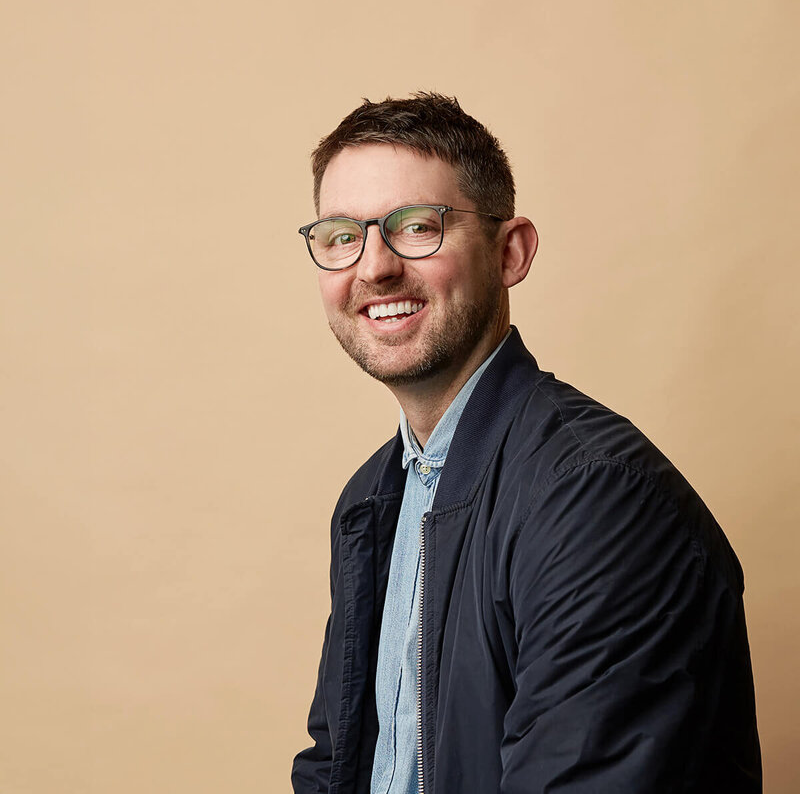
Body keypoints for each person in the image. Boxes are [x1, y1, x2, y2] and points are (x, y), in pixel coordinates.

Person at [291, 93, 761, 794]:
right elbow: (337, 766)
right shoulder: (373, 497)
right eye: (341, 236)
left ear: (510, 252)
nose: (374, 267)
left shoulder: (597, 497)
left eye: (417, 226)